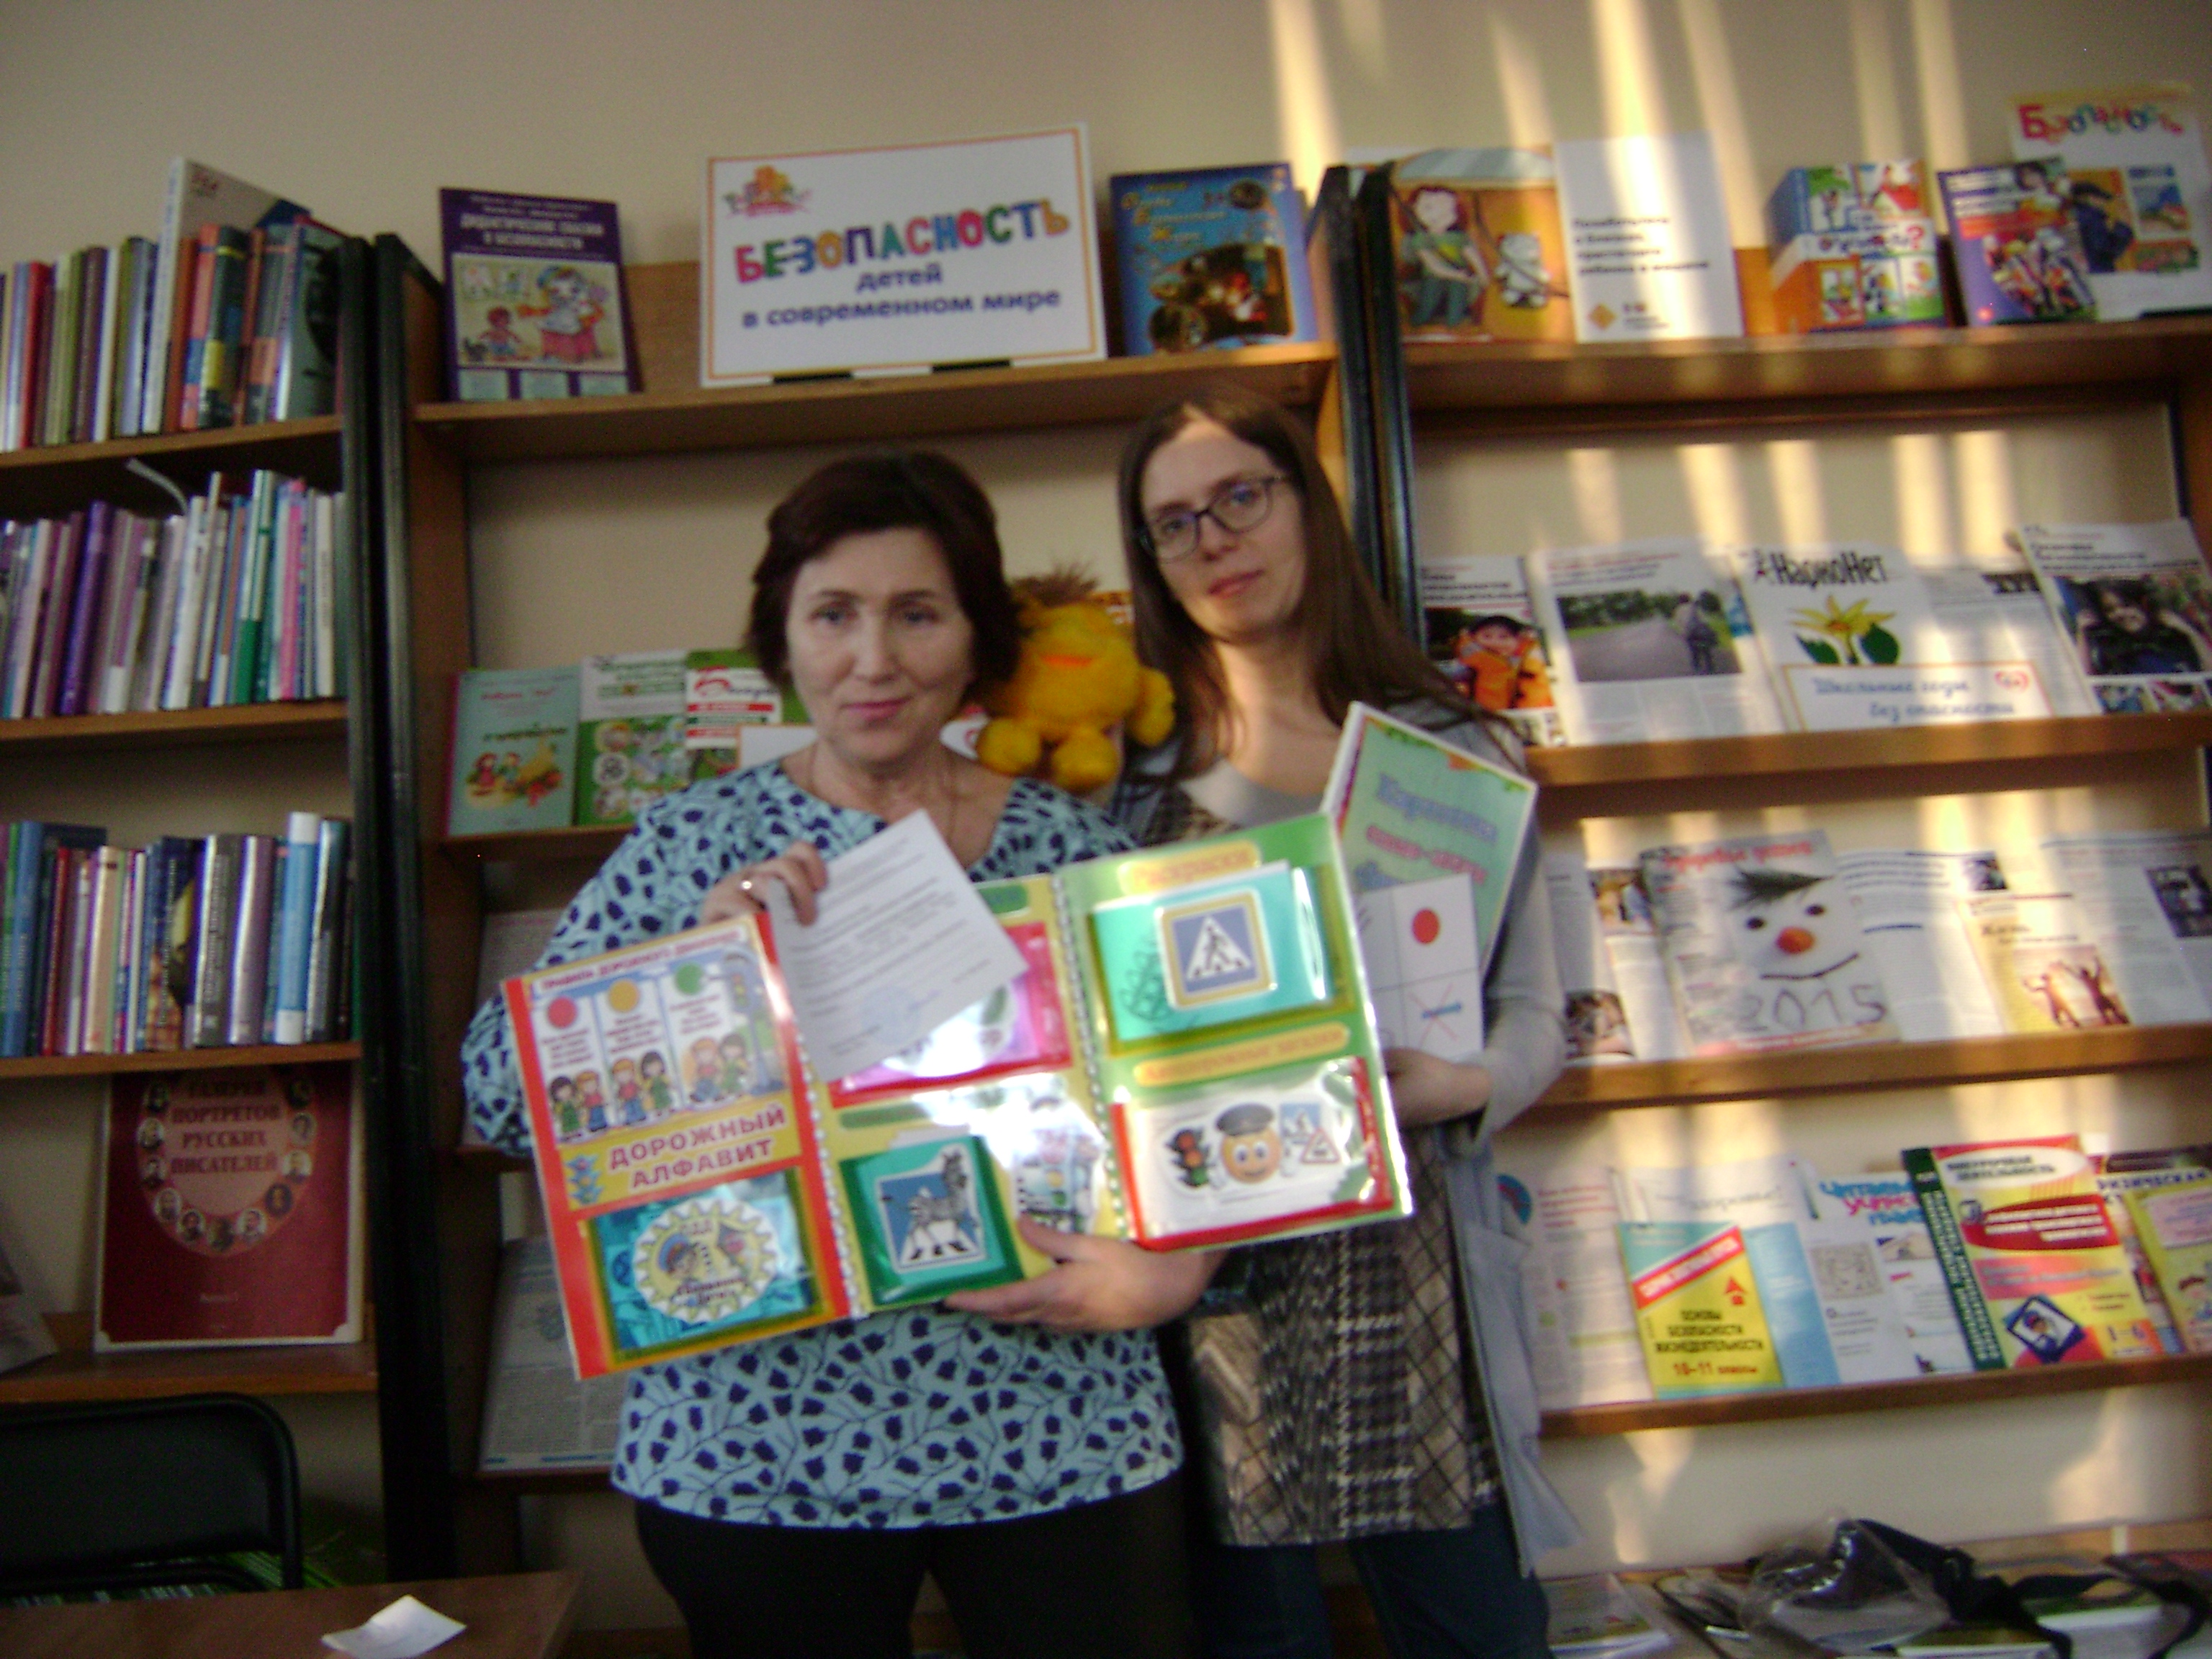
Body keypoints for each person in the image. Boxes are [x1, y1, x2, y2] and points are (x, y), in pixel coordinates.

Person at [461, 451, 1210, 1659]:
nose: (874, 659)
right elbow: (499, 1092)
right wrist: (693, 979)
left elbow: (1199, 1106)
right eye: (833, 614)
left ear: (975, 636)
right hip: (760, 1441)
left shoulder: (1077, 851)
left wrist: (1173, 1274)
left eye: (917, 613)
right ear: (785, 638)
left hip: (1060, 1417)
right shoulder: (690, 845)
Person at [1106, 385, 1576, 1659]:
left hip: (1417, 1282)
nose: (1213, 539)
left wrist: (1460, 1086)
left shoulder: (1457, 751)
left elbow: (1538, 1012)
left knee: (1482, 1634)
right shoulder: (1124, 786)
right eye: (1173, 523)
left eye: (1239, 498)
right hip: (1213, 1305)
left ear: (1305, 507)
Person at [2074, 577, 2212, 678]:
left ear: (2144, 604)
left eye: (2126, 605)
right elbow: (2086, 679)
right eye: (2110, 610)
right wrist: (2082, 633)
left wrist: (2189, 632)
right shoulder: (2112, 645)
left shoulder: (2174, 635)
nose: (2120, 614)